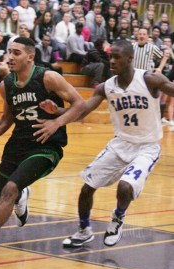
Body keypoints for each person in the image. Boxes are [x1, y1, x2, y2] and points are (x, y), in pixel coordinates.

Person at [33, 40, 174, 247]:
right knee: (87, 188)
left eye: (117, 57)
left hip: (146, 147)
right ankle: (83, 230)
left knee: (125, 187)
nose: (113, 61)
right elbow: (83, 111)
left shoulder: (149, 79)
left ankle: (118, 217)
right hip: (119, 144)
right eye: (111, 57)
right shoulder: (105, 87)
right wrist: (58, 112)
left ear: (130, 59)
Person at [0, 37, 86, 258]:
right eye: (9, 52)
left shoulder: (48, 78)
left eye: (16, 53)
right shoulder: (5, 84)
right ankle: (21, 193)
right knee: (0, 198)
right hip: (17, 144)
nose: (10, 57)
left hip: (46, 146)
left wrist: (56, 122)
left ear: (30, 56)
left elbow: (81, 104)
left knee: (9, 190)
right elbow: (6, 119)